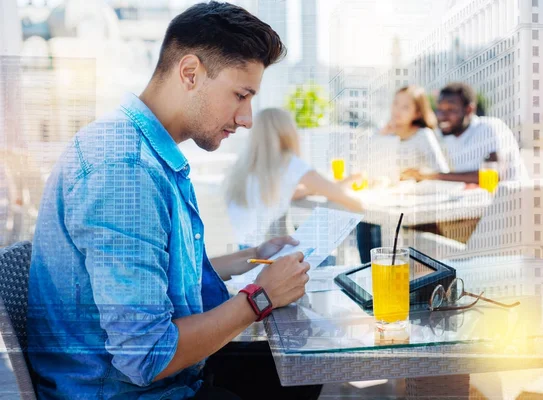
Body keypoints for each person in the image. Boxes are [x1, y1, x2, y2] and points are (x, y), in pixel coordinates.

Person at [27, 3, 321, 399]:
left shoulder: (141, 151)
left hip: (143, 379)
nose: (248, 118)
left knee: (299, 369)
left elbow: (157, 276)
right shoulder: (124, 171)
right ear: (190, 73)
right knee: (291, 374)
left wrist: (253, 255)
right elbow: (146, 355)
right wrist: (261, 296)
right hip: (124, 391)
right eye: (240, 95)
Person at [225, 107, 363, 250]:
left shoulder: (245, 165)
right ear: (287, 132)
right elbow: (336, 193)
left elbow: (279, 194)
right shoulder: (288, 162)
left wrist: (313, 190)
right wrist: (365, 207)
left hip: (239, 253)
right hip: (263, 254)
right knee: (325, 254)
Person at [356, 85, 449, 263]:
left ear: (417, 113)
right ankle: (369, 269)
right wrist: (380, 137)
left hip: (413, 204)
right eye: (395, 104)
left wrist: (419, 175)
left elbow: (442, 173)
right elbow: (363, 167)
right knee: (365, 217)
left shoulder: (423, 136)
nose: (397, 110)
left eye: (405, 107)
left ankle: (382, 268)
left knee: (378, 225)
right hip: (387, 197)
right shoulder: (384, 133)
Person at [402, 82, 527, 184]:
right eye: (439, 109)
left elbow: (493, 177)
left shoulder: (489, 127)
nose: (442, 116)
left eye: (451, 110)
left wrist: (432, 175)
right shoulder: (445, 138)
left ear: (469, 110)